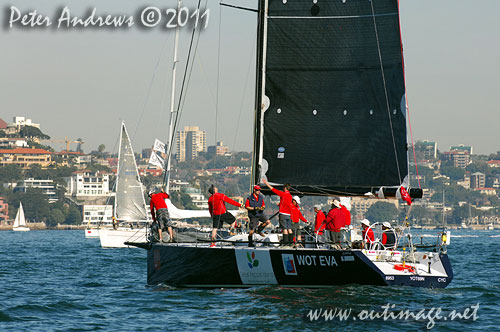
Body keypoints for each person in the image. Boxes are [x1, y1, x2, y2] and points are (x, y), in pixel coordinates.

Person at [262, 178, 293, 246]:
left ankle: (285, 243)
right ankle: (291, 242)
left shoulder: (283, 194)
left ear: (285, 188)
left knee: (284, 229)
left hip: (283, 214)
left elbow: (273, 189)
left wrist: (266, 183)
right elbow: (287, 204)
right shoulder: (290, 196)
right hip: (289, 214)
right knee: (289, 228)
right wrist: (280, 204)